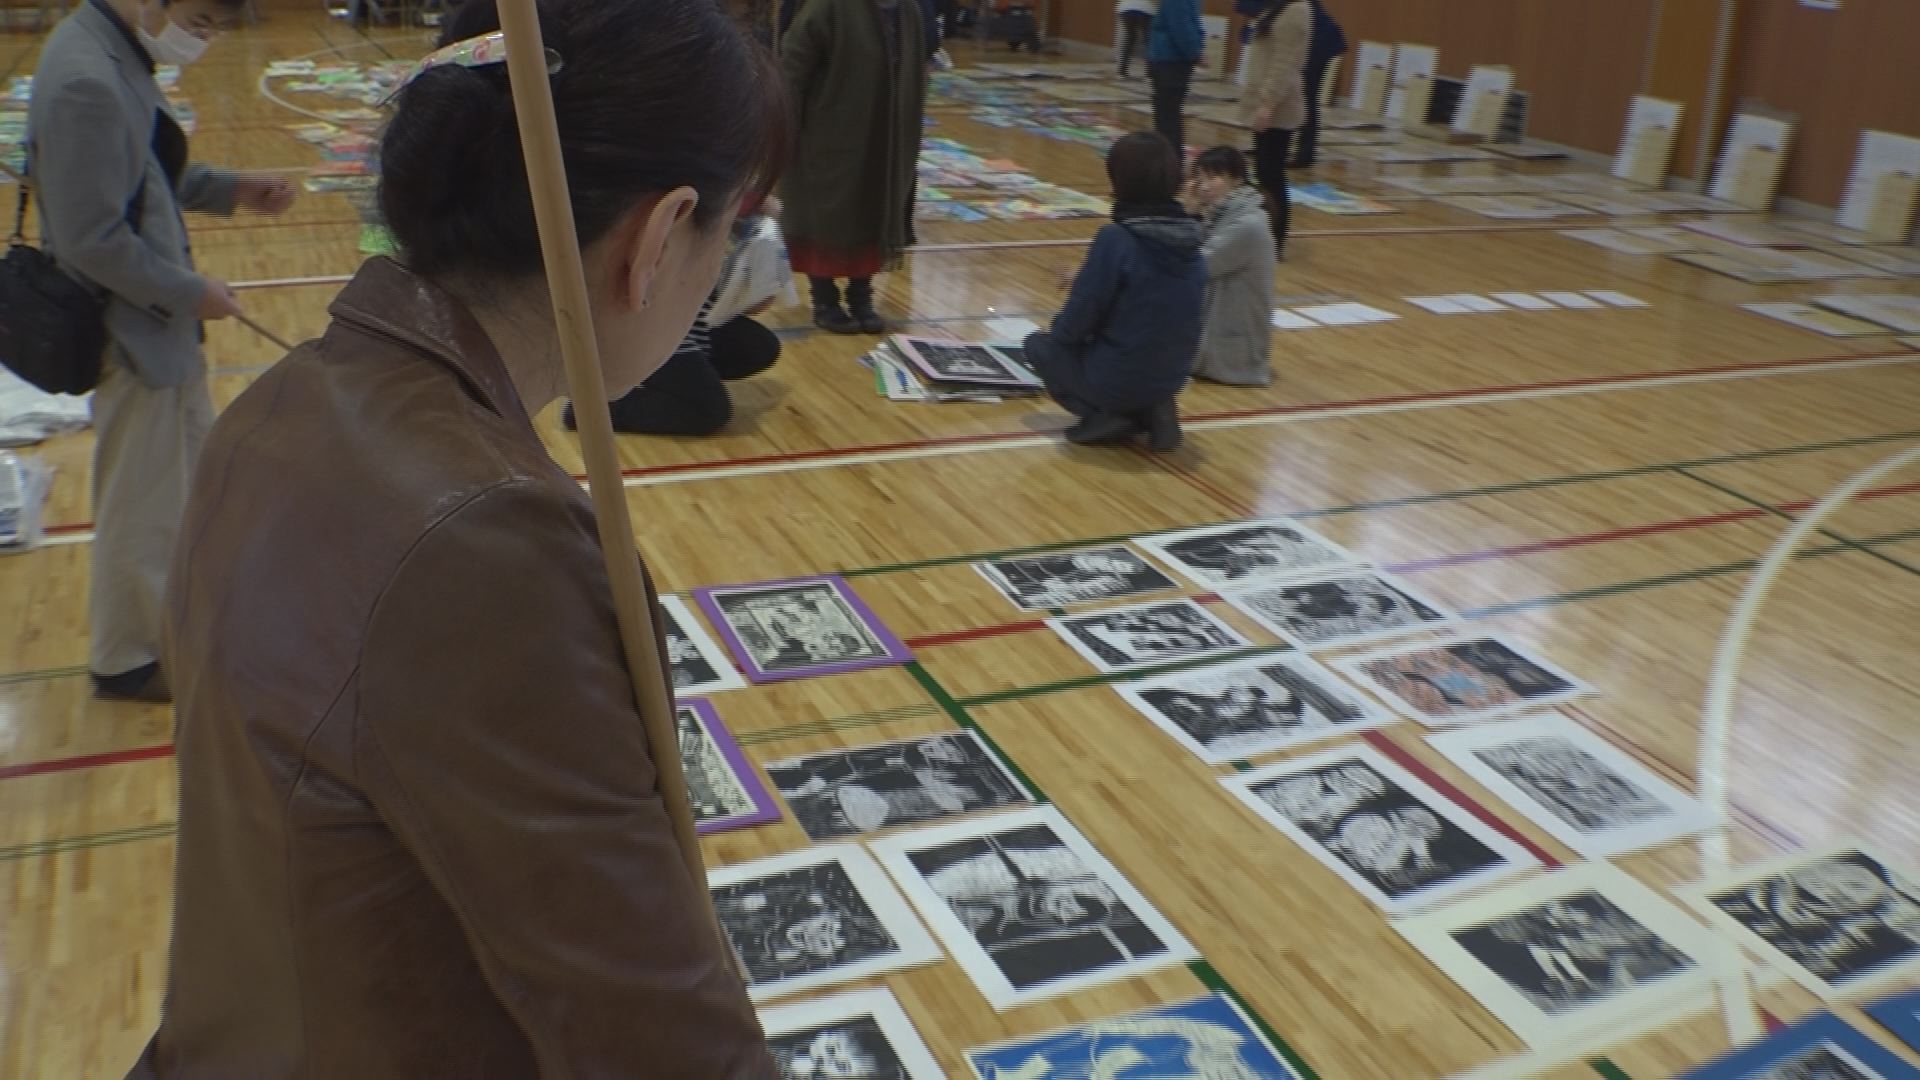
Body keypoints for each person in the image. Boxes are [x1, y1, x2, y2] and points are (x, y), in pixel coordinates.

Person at [128, 0, 787, 1071]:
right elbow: (659, 1036)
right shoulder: (485, 541)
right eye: (727, 234)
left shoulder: (285, 398)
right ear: (661, 236)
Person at [28, 0, 296, 704]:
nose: (203, 37)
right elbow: (92, 239)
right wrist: (188, 290)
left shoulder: (111, 48)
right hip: (132, 332)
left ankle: (175, 620)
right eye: (201, 19)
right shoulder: (86, 75)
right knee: (140, 505)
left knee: (185, 487)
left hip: (160, 330)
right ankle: (126, 658)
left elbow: (145, 170)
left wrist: (231, 188)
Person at [1026, 133, 1202, 451]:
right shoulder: (1192, 239)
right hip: (1174, 376)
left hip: (1119, 375)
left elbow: (1078, 321)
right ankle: (1153, 407)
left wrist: (1058, 335)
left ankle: (1107, 415)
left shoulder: (1117, 239)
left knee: (1038, 346)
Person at [564, 204, 784, 436]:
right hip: (649, 329)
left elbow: (756, 305)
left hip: (692, 322)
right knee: (709, 412)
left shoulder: (731, 224)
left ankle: (683, 382)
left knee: (760, 347)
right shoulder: (673, 222)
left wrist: (763, 246)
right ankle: (593, 410)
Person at [781, 0, 928, 335]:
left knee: (872, 211)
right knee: (828, 217)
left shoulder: (908, 11)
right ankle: (825, 300)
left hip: (885, 137)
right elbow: (792, 69)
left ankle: (862, 298)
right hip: (829, 132)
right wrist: (783, 129)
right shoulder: (827, 7)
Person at [1187, 147, 1275, 385]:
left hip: (1236, 352)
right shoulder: (1222, 214)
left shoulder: (1248, 223)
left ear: (1237, 179)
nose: (1203, 187)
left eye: (1213, 178)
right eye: (1199, 178)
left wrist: (1189, 215)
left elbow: (1197, 266)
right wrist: (1193, 212)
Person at [1238, 0, 1309, 251]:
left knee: (1272, 174)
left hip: (1278, 108)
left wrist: (1268, 103)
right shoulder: (1275, 8)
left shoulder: (1297, 11)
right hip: (1265, 103)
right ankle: (1263, 235)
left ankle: (1274, 239)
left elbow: (1285, 65)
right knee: (1264, 173)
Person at [1145, 0, 1202, 165]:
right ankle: (1169, 162)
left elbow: (1192, 24)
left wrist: (1197, 50)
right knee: (1168, 117)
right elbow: (1181, 27)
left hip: (1171, 60)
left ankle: (1169, 160)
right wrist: (1195, 53)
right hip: (1169, 61)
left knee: (1169, 115)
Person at [1294, 0, 1346, 167]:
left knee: (1306, 98)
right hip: (1311, 39)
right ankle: (1299, 152)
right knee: (1303, 97)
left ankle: (1305, 154)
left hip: (1317, 43)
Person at [1114, 0, 1154, 79]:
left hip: (1125, 9)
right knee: (1148, 41)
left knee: (1129, 39)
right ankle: (1150, 73)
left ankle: (1122, 71)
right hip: (1144, 9)